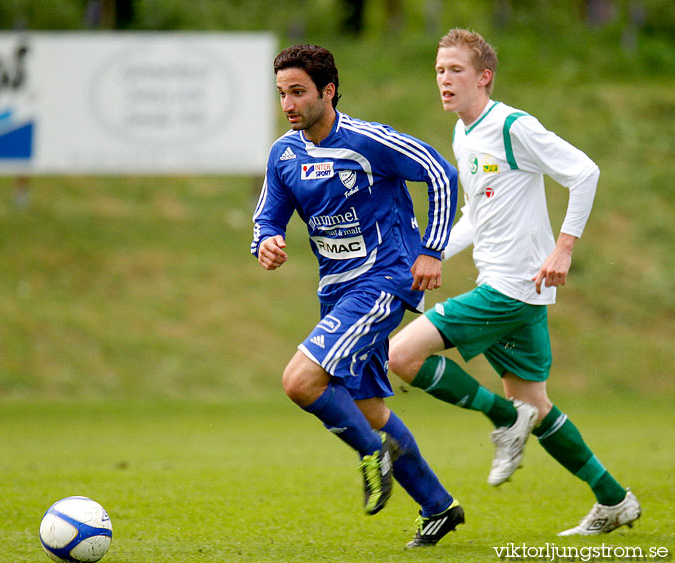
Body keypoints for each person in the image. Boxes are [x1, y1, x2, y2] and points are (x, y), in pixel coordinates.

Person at [388, 28, 641, 536]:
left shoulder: (511, 126)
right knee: (537, 407)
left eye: (455, 70)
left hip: (510, 288)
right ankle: (614, 500)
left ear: (484, 77)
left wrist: (563, 248)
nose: (444, 79)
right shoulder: (464, 133)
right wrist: (429, 253)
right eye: (439, 70)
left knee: (402, 356)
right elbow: (475, 215)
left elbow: (584, 172)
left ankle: (503, 419)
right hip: (515, 289)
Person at [251, 44, 463, 548]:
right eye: (282, 93)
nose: (288, 104)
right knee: (368, 407)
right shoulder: (285, 154)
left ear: (328, 91)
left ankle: (374, 455)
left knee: (300, 381)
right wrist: (266, 242)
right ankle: (438, 506)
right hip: (336, 292)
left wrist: (431, 250)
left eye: (298, 92)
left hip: (386, 280)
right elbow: (267, 215)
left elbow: (441, 173)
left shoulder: (369, 141)